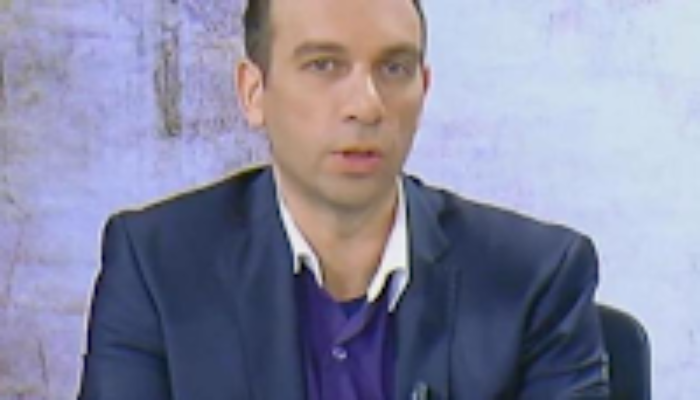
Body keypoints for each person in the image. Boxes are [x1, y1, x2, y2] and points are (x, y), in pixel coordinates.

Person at [78, 0, 610, 398]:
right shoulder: (157, 266)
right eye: (324, 65)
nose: (366, 104)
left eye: (394, 68)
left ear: (424, 90)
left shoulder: (537, 276)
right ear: (253, 92)